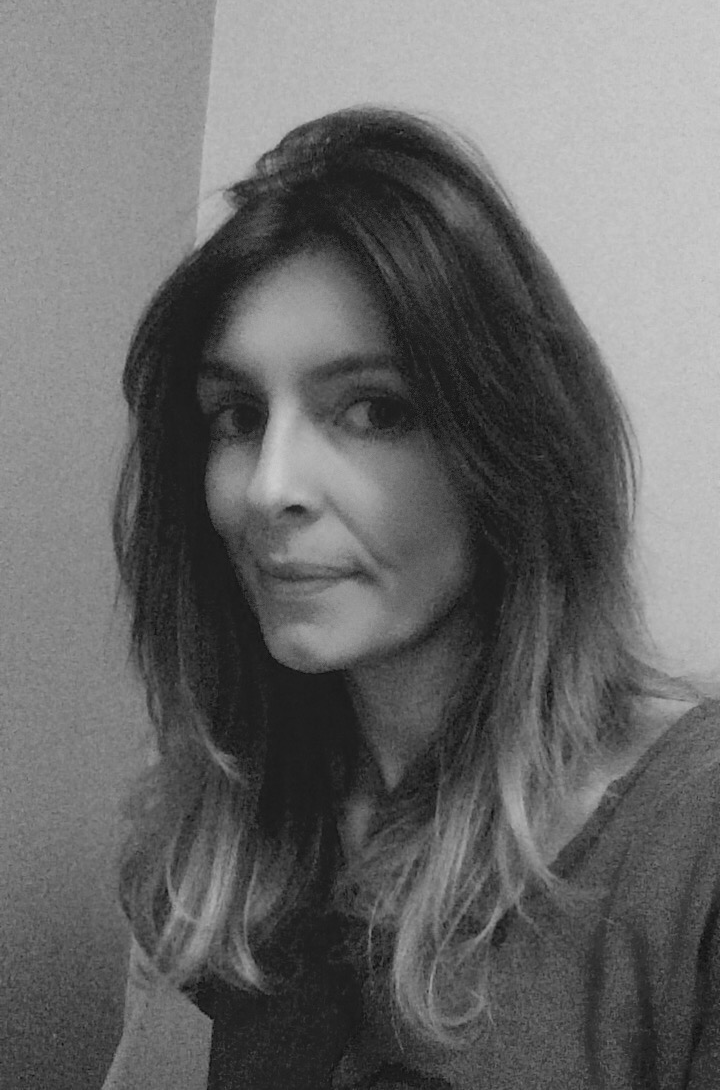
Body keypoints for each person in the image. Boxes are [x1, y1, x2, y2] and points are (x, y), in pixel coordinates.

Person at [102, 108, 720, 1090]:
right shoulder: (217, 837)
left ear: (513, 446)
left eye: (374, 410)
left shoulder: (690, 852)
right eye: (238, 416)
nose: (269, 487)